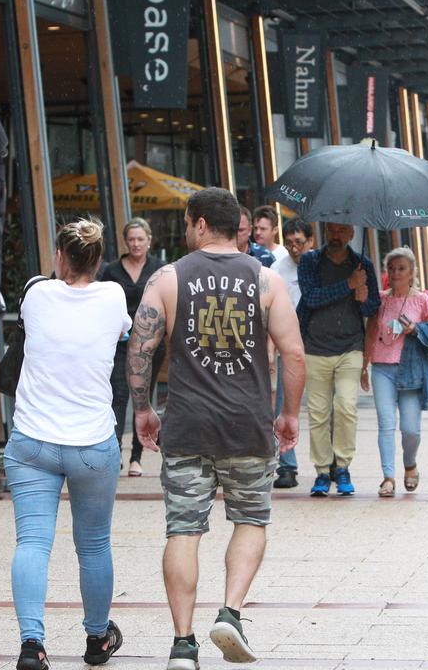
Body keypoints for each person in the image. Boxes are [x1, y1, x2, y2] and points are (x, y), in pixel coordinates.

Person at [126, 187, 305, 670]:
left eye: (188, 222)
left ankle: (183, 644)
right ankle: (230, 612)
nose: (187, 230)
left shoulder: (168, 277)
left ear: (201, 224)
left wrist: (142, 409)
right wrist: (288, 414)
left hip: (186, 426)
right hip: (248, 425)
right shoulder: (266, 280)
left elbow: (140, 349)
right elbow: (293, 352)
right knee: (250, 520)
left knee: (183, 530)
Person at [6, 219, 130, 669]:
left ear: (60, 257)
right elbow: (120, 336)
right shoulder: (114, 296)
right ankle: (97, 639)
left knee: (33, 544)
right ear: (99, 260)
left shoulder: (36, 294)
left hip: (33, 441)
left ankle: (31, 644)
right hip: (93, 443)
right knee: (94, 545)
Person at [296, 223, 381, 497]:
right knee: (318, 413)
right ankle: (322, 470)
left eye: (341, 231)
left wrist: (364, 296)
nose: (335, 235)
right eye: (331, 230)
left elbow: (372, 308)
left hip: (350, 347)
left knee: (346, 406)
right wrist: (348, 284)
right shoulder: (310, 261)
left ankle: (342, 466)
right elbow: (311, 298)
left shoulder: (362, 264)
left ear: (351, 234)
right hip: (315, 347)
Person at [361, 247, 428, 497]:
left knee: (410, 429)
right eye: (391, 268)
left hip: (411, 369)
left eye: (401, 268)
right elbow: (371, 331)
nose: (395, 273)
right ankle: (388, 477)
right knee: (385, 422)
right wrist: (364, 364)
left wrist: (415, 329)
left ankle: (410, 464)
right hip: (382, 367)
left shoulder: (423, 299)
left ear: (412, 272)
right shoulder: (380, 299)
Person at [98, 217, 167, 476]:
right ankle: (114, 452)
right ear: (125, 242)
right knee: (117, 396)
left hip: (151, 343)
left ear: (149, 240)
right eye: (131, 239)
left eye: (140, 239)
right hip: (119, 342)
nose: (136, 244)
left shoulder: (161, 269)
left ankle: (136, 458)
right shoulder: (111, 270)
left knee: (144, 397)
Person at [272, 218, 313, 489]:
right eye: (288, 243)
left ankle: (331, 464)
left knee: (324, 407)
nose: (294, 248)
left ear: (310, 241)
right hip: (286, 344)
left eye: (299, 242)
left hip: (318, 342)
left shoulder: (319, 266)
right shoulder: (277, 269)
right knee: (285, 406)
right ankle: (287, 464)